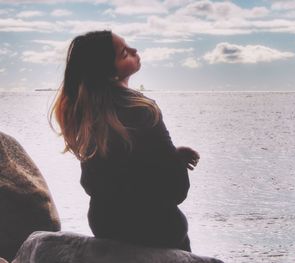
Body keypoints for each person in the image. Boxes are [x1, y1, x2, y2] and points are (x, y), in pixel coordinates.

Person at [50, 30, 200, 252]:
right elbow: (174, 190)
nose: (134, 51)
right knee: (177, 234)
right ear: (110, 73)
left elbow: (93, 182)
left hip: (106, 225)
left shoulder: (88, 114)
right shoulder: (142, 108)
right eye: (124, 53)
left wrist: (168, 154)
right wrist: (176, 161)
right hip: (159, 230)